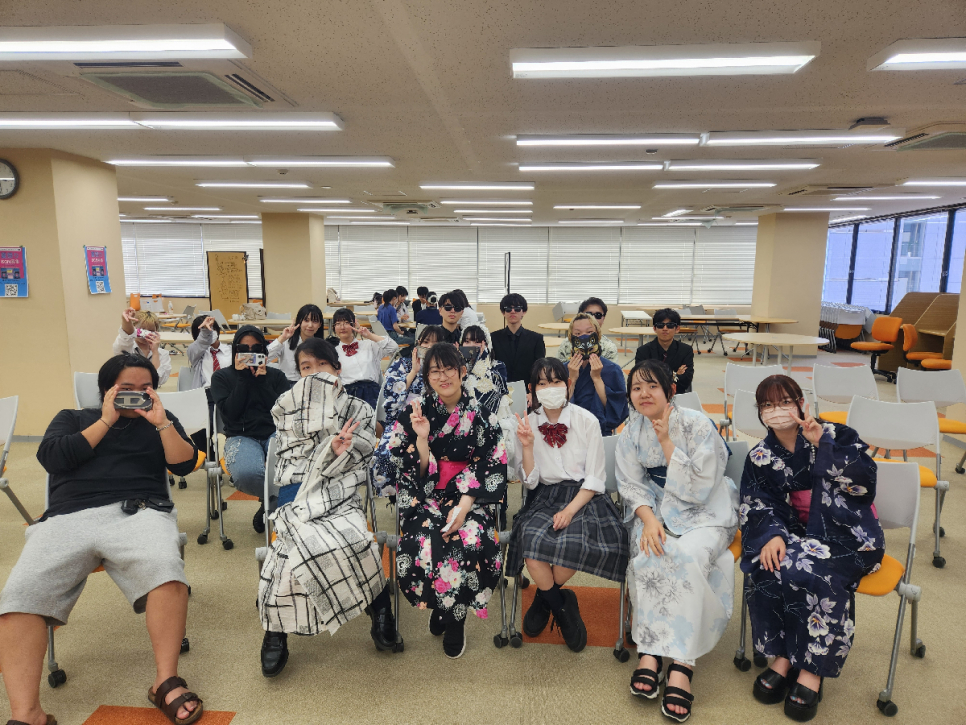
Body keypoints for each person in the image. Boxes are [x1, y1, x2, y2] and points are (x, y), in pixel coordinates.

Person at [0, 354, 203, 725]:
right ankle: (28, 714)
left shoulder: (160, 420)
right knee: (19, 595)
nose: (137, 395)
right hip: (68, 518)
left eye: (145, 388)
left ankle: (165, 682)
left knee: (166, 569)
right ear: (106, 389)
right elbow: (54, 459)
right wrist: (106, 420)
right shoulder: (72, 417)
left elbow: (184, 464)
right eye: (126, 389)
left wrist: (161, 423)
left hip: (139, 511)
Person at [740, 375, 884, 722]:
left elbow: (866, 483)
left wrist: (825, 446)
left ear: (801, 404)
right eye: (767, 405)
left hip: (845, 534)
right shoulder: (760, 455)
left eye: (785, 402)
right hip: (792, 534)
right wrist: (771, 534)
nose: (776, 411)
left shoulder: (834, 434)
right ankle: (784, 656)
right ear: (760, 412)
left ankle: (811, 670)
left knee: (816, 572)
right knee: (768, 566)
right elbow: (756, 501)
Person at [257, 338, 396, 677]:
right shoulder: (286, 406)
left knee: (357, 539)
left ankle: (380, 609)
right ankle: (275, 630)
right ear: (298, 373)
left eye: (322, 365)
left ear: (337, 369)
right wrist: (326, 451)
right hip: (298, 490)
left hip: (341, 490)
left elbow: (363, 455)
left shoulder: (359, 409)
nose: (315, 373)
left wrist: (339, 451)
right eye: (306, 367)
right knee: (286, 551)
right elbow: (289, 459)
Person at [617, 360, 738, 723]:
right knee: (647, 553)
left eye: (652, 386)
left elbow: (702, 486)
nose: (644, 394)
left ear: (670, 390)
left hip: (706, 510)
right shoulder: (630, 431)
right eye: (636, 388)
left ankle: (683, 663)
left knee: (687, 555)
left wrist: (667, 440)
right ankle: (651, 652)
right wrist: (649, 520)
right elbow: (631, 484)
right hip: (655, 508)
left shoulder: (697, 424)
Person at [386, 342, 508, 658]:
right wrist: (422, 439)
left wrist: (464, 507)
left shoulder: (482, 415)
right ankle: (446, 607)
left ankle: (454, 617)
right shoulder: (413, 413)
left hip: (470, 498)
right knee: (424, 541)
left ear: (462, 371)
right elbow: (403, 464)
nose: (443, 377)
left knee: (471, 539)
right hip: (425, 498)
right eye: (435, 371)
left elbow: (490, 463)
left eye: (449, 369)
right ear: (427, 377)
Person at [507, 358, 628, 652]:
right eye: (542, 383)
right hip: (545, 494)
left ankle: (544, 597)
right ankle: (561, 606)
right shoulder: (527, 423)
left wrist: (570, 510)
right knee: (531, 543)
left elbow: (596, 478)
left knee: (572, 547)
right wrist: (526, 446)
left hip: (584, 496)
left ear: (568, 384)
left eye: (556, 381)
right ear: (533, 390)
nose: (550, 388)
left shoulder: (587, 420)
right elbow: (530, 482)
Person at [211, 325, 290, 533]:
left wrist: (262, 381)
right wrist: (243, 379)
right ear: (235, 350)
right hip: (240, 435)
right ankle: (273, 501)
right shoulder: (221, 377)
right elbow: (230, 414)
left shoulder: (276, 376)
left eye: (256, 348)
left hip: (276, 431)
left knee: (290, 469)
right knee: (246, 474)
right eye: (243, 348)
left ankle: (272, 504)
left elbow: (282, 412)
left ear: (264, 350)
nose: (250, 353)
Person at [371, 325, 448, 497]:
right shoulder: (402, 364)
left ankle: (432, 496)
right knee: (387, 454)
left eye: (435, 343)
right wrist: (414, 371)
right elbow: (390, 396)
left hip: (437, 423)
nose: (429, 347)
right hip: (402, 421)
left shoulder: (447, 368)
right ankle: (399, 497)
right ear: (418, 343)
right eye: (426, 342)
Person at [565, 313, 628, 436]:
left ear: (597, 335)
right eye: (577, 333)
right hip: (569, 432)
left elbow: (616, 411)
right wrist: (572, 378)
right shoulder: (563, 369)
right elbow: (557, 407)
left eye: (589, 332)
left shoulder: (612, 369)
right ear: (571, 338)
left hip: (600, 432)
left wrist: (597, 378)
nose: (584, 337)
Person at [182, 314, 231, 458]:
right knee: (198, 426)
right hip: (207, 394)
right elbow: (202, 342)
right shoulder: (196, 353)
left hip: (230, 392)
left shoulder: (231, 350)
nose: (210, 332)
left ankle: (231, 455)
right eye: (203, 331)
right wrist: (205, 331)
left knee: (237, 423)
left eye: (212, 329)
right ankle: (210, 455)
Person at [330, 307, 398, 409]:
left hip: (372, 392)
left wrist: (369, 335)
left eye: (346, 323)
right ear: (334, 327)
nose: (342, 327)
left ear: (354, 324)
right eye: (338, 324)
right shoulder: (333, 353)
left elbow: (393, 347)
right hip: (349, 395)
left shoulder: (369, 345)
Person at [491, 292, 547, 386]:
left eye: (517, 308)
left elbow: (539, 369)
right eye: (508, 309)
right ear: (503, 312)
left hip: (527, 388)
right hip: (500, 388)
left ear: (523, 312)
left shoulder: (536, 339)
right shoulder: (493, 338)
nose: (512, 311)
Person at [635, 308, 694, 394]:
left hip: (676, 395)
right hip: (650, 395)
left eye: (670, 325)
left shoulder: (685, 350)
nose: (665, 328)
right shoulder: (643, 351)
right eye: (660, 325)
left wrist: (655, 377)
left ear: (677, 328)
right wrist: (675, 375)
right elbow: (642, 380)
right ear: (654, 328)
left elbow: (685, 381)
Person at [267, 304, 326, 383]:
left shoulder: (322, 346)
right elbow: (265, 358)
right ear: (299, 322)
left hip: (311, 384)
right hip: (287, 384)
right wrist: (282, 339)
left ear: (320, 324)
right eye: (306, 320)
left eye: (315, 321)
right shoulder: (287, 341)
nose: (310, 325)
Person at [460, 325, 509, 419]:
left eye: (476, 342)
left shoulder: (498, 366)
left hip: (492, 415)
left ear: (486, 345)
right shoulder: (458, 368)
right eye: (467, 341)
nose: (471, 345)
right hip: (463, 414)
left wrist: (482, 360)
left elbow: (501, 389)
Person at [113, 307, 172, 386]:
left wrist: (155, 352)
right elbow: (126, 336)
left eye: (151, 331)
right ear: (134, 328)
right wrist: (126, 321)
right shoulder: (127, 346)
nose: (146, 334)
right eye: (142, 329)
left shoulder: (163, 354)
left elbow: (158, 381)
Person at [557, 297, 619, 363]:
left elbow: (612, 369)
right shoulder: (566, 345)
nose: (593, 318)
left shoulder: (609, 347)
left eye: (598, 315)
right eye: (588, 314)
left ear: (603, 319)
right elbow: (557, 368)